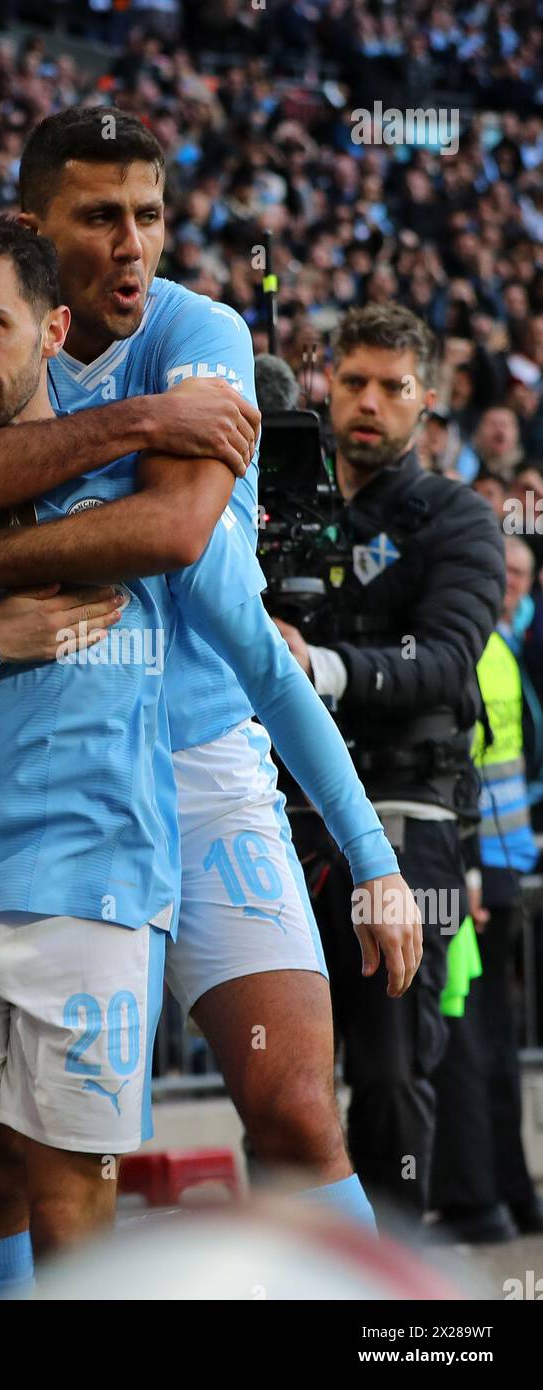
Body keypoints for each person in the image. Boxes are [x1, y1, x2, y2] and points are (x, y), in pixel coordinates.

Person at [0, 215, 418, 1299]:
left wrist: (374, 861)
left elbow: (267, 671)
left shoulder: (162, 440)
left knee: (282, 1112)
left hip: (152, 827)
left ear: (51, 325)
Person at [271, 304, 505, 1226]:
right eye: (354, 381)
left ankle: (396, 1292)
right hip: (284, 813)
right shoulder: (281, 505)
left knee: (390, 1063)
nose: (367, 403)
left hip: (407, 815)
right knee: (280, 1072)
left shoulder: (460, 519)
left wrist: (319, 667)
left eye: (392, 387)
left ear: (428, 401)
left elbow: (447, 661)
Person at [430, 535, 543, 1240]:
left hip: (475, 871)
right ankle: (509, 1197)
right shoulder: (497, 647)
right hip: (499, 872)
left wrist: (469, 869)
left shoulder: (475, 647)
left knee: (464, 1040)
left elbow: (465, 769)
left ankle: (480, 1203)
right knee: (490, 1041)